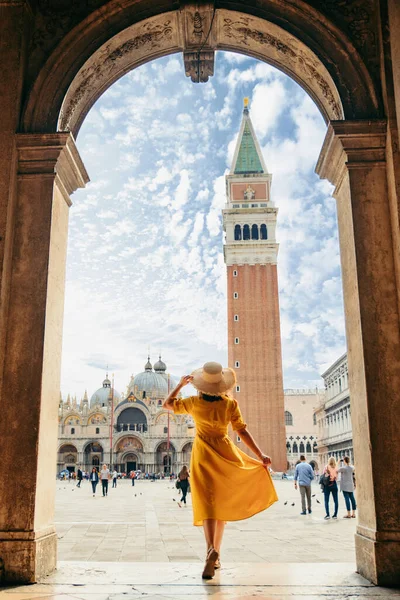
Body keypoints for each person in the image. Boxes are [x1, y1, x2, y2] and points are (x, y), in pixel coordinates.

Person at [163, 362, 277, 580]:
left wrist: (179, 385)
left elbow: (168, 404)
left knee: (207, 504)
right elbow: (242, 432)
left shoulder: (194, 402)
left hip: (203, 454)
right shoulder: (230, 405)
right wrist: (260, 455)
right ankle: (217, 554)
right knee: (221, 506)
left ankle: (209, 551)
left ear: (201, 385)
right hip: (225, 453)